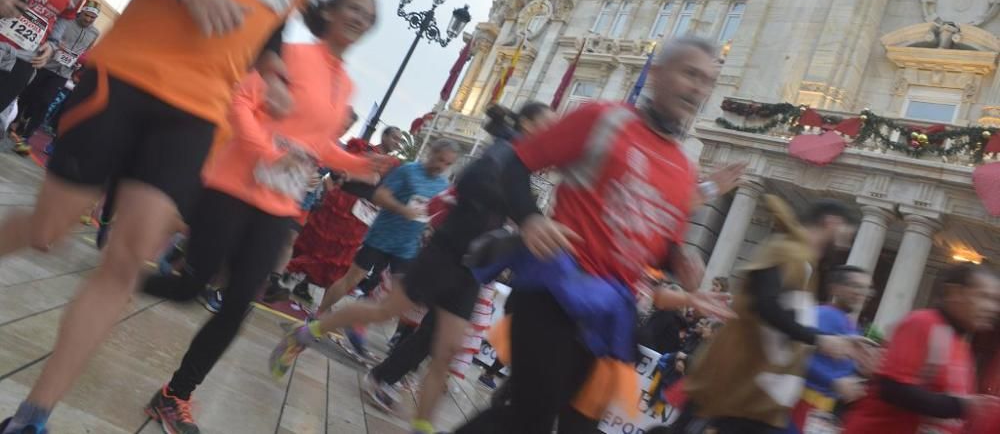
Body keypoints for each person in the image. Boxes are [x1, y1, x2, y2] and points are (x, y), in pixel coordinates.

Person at [0, 0, 344, 434]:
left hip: (197, 114)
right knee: (49, 229)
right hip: (124, 80)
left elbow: (265, 28)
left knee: (127, 259)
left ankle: (33, 414)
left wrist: (272, 70)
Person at [418, 36, 742, 434]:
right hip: (554, 289)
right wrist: (531, 218)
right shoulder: (603, 119)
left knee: (562, 422)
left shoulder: (683, 169)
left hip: (610, 312)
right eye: (690, 74)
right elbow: (517, 164)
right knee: (531, 416)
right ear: (657, 75)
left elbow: (657, 249)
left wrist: (680, 264)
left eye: (707, 81)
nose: (697, 88)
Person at [142, 0, 388, 434]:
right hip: (233, 187)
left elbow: (318, 146)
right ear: (331, 12)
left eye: (367, 16)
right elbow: (241, 100)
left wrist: (362, 164)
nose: (359, 18)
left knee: (238, 305)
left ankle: (175, 395)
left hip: (277, 204)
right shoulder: (292, 54)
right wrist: (267, 152)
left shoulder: (345, 83)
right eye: (353, 8)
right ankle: (124, 277)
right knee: (190, 284)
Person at [294, 103, 557, 431]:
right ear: (529, 125)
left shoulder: (520, 164)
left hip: (471, 268)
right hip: (444, 254)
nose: (554, 135)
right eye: (549, 126)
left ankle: (423, 425)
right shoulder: (504, 154)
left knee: (445, 352)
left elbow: (514, 205)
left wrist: (525, 223)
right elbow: (473, 182)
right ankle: (310, 330)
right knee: (384, 311)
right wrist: (525, 216)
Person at [681, 197, 863, 434]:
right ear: (832, 223)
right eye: (846, 234)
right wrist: (821, 340)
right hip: (736, 386)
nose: (846, 244)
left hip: (760, 396)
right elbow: (765, 306)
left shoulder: (804, 262)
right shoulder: (786, 250)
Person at [843, 263, 1000, 434]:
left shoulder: (961, 347)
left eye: (995, 300)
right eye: (984, 296)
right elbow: (892, 389)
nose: (992, 308)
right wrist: (963, 406)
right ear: (954, 293)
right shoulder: (924, 322)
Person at [271, 123, 403, 304]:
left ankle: (302, 283)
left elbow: (375, 180)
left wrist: (350, 175)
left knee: (339, 255)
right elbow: (335, 170)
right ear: (385, 136)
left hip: (360, 212)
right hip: (339, 203)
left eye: (400, 140)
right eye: (395, 137)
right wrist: (337, 183)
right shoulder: (361, 147)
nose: (397, 142)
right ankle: (288, 278)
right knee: (317, 244)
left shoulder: (393, 164)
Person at [787, 265, 874, 433]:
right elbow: (796, 354)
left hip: (820, 412)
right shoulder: (821, 314)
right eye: (855, 286)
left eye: (867, 289)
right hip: (798, 404)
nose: (862, 293)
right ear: (835, 288)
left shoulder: (851, 325)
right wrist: (833, 381)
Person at [12, 0, 101, 154]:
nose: (88, 20)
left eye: (92, 18)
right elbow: (52, 34)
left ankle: (27, 135)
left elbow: (86, 50)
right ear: (81, 12)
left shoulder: (94, 33)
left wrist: (79, 61)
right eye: (86, 15)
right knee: (29, 94)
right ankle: (17, 120)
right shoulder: (68, 21)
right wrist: (57, 46)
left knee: (45, 101)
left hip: (64, 72)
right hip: (46, 64)